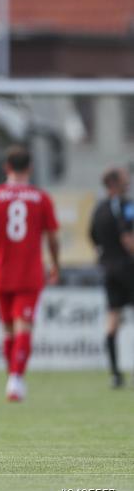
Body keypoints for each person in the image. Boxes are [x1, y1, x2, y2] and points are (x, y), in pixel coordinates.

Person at [0, 145, 60, 402]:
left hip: (2, 272)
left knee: (7, 330)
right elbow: (52, 239)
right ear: (30, 168)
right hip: (30, 273)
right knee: (23, 326)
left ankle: (13, 379)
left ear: (6, 167)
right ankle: (16, 379)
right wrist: (55, 264)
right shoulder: (42, 198)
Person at [88, 166, 134, 389]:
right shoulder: (125, 206)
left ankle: (115, 374)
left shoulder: (99, 209)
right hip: (128, 268)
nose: (129, 182)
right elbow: (129, 239)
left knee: (112, 320)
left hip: (109, 269)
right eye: (125, 179)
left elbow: (93, 238)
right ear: (115, 183)